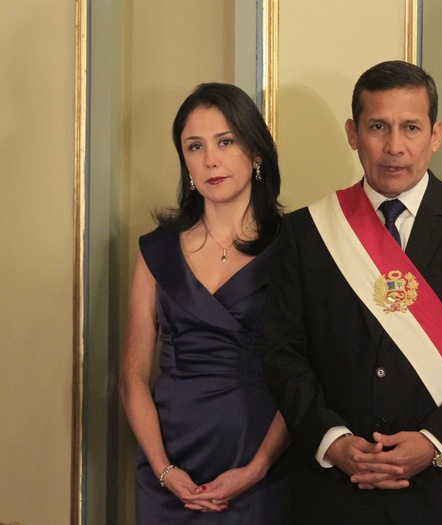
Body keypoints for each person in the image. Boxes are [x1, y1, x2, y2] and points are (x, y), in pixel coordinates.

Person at [261, 60, 442, 525]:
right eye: (378, 127)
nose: (394, 147)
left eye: (411, 128)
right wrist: (331, 441)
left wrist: (434, 442)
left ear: (435, 134)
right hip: (333, 491)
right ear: (353, 133)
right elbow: (283, 352)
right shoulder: (306, 232)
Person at [120, 82, 290, 524]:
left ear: (255, 153)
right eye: (195, 146)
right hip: (171, 467)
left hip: (261, 462)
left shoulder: (295, 247)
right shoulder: (155, 251)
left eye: (225, 141)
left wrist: (258, 467)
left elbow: (307, 374)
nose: (210, 159)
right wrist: (164, 469)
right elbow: (132, 378)